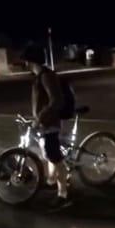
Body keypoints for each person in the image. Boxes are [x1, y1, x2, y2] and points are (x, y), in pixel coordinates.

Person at [22, 45, 75, 201]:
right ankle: (51, 181)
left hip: (50, 123)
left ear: (31, 61)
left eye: (26, 61)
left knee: (56, 158)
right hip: (45, 123)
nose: (25, 64)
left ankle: (63, 193)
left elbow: (56, 100)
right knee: (49, 155)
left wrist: (40, 118)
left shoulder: (46, 76)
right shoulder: (40, 76)